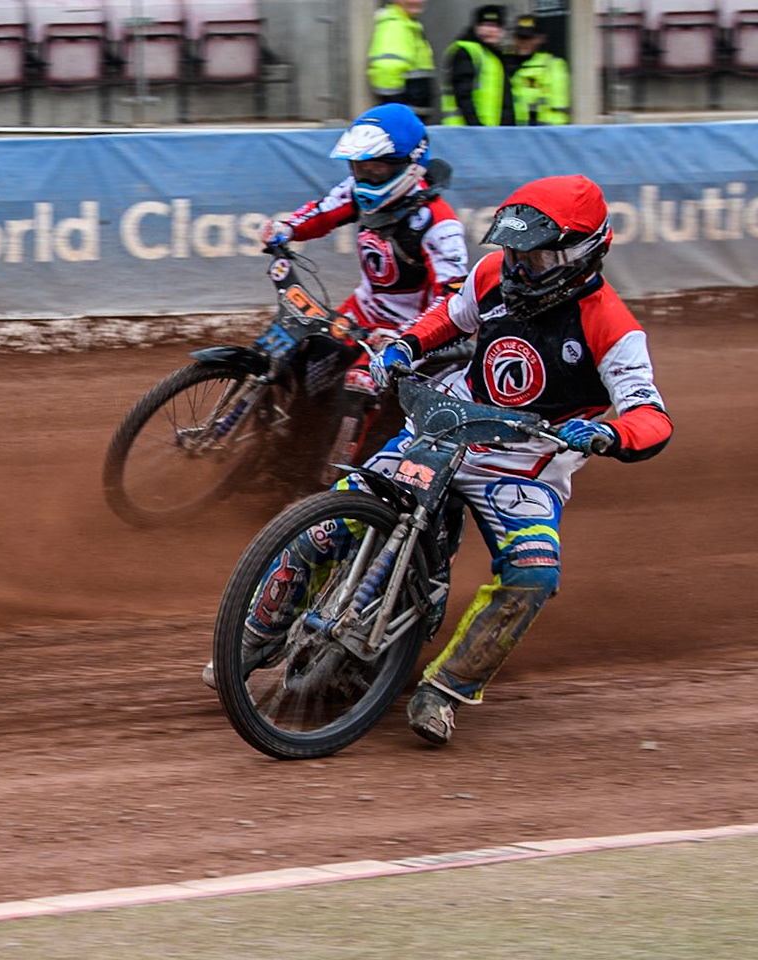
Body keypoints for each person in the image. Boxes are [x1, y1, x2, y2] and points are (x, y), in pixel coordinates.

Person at [239, 175, 672, 746]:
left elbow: (652, 416)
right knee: (331, 520)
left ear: (581, 253)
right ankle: (248, 639)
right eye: (512, 250)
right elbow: (450, 315)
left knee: (533, 573)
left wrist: (605, 435)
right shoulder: (494, 275)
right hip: (446, 427)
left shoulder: (612, 328)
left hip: (523, 465)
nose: (519, 266)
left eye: (535, 256)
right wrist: (407, 344)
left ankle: (446, 689)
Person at [256, 104, 469, 468]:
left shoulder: (439, 225)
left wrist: (403, 339)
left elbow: (452, 301)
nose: (365, 177)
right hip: (360, 314)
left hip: (414, 334)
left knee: (359, 383)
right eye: (358, 168)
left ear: (409, 163)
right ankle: (285, 444)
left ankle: (333, 481)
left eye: (376, 168)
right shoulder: (359, 190)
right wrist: (286, 228)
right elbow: (322, 211)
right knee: (296, 350)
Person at [443, 5, 514, 127]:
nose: (491, 30)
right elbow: (463, 94)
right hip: (467, 131)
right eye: (486, 25)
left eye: (496, 26)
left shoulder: (494, 56)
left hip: (488, 130)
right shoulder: (467, 50)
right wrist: (476, 126)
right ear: (476, 27)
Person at [369, 0, 436, 118]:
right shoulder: (395, 26)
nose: (417, 1)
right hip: (406, 120)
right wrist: (398, 111)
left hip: (410, 117)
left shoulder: (408, 25)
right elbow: (387, 69)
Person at [508, 16, 569, 126]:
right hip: (511, 130)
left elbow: (558, 107)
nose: (524, 42)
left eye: (529, 38)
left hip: (542, 131)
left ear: (540, 39)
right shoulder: (504, 62)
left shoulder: (552, 64)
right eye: (520, 37)